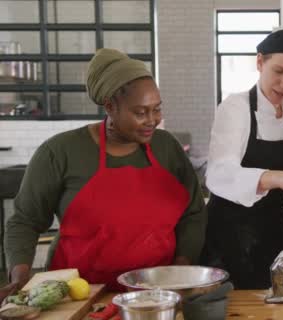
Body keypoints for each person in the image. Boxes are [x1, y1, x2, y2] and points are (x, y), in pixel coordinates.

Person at [1, 48, 207, 296]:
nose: (152, 120)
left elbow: (193, 213)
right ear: (110, 107)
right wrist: (20, 277)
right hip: (78, 295)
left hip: (154, 294)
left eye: (157, 109)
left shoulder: (166, 148)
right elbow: (25, 220)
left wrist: (179, 271)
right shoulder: (60, 152)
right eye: (140, 112)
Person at [201, 29, 283, 289]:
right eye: (279, 71)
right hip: (229, 241)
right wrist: (278, 177)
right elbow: (218, 174)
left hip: (273, 243)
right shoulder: (234, 108)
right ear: (260, 62)